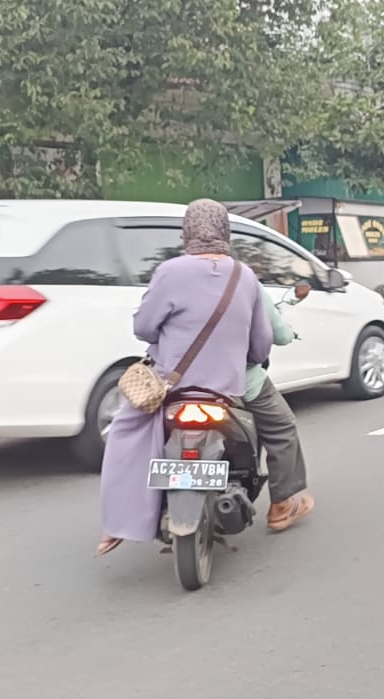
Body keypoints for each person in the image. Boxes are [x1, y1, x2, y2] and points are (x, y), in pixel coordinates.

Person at [97, 199, 275, 556]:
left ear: (187, 233)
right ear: (225, 231)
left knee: (126, 432)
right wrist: (251, 358)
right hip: (225, 389)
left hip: (170, 387)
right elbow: (262, 341)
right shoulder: (245, 275)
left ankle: (118, 524)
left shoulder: (170, 271)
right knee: (264, 426)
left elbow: (143, 327)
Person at [244, 284, 314, 533]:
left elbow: (144, 329)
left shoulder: (168, 278)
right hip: (240, 383)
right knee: (282, 427)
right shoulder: (246, 284)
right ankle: (281, 505)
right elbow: (281, 335)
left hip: (183, 381)